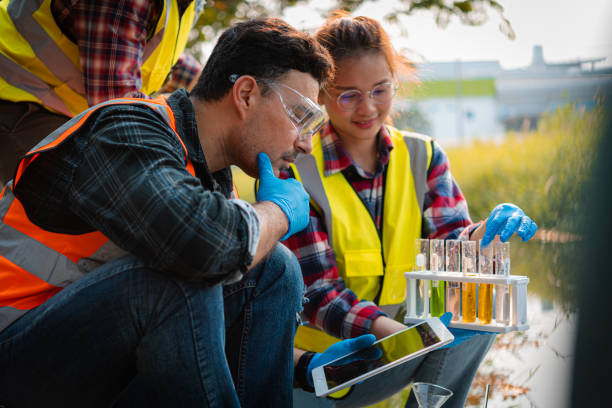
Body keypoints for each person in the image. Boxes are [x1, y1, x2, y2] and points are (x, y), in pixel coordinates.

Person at [0, 17, 379, 408]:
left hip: (87, 357)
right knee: (179, 278)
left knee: (274, 268)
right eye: (302, 118)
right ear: (246, 94)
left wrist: (304, 367)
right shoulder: (126, 129)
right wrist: (278, 212)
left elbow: (203, 330)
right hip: (15, 359)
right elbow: (201, 251)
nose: (305, 145)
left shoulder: (210, 175)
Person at [284, 12, 538, 407]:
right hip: (325, 370)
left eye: (380, 90)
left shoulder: (423, 154)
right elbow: (316, 293)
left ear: (395, 83)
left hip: (398, 349)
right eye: (348, 94)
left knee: (480, 312)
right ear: (321, 94)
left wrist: (481, 236)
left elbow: (450, 247)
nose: (367, 107)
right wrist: (406, 338)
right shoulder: (298, 166)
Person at [0, 0, 205, 186]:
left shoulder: (186, 5)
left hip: (56, 106)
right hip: (16, 94)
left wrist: (212, 84)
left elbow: (150, 50)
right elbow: (118, 111)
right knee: (82, 203)